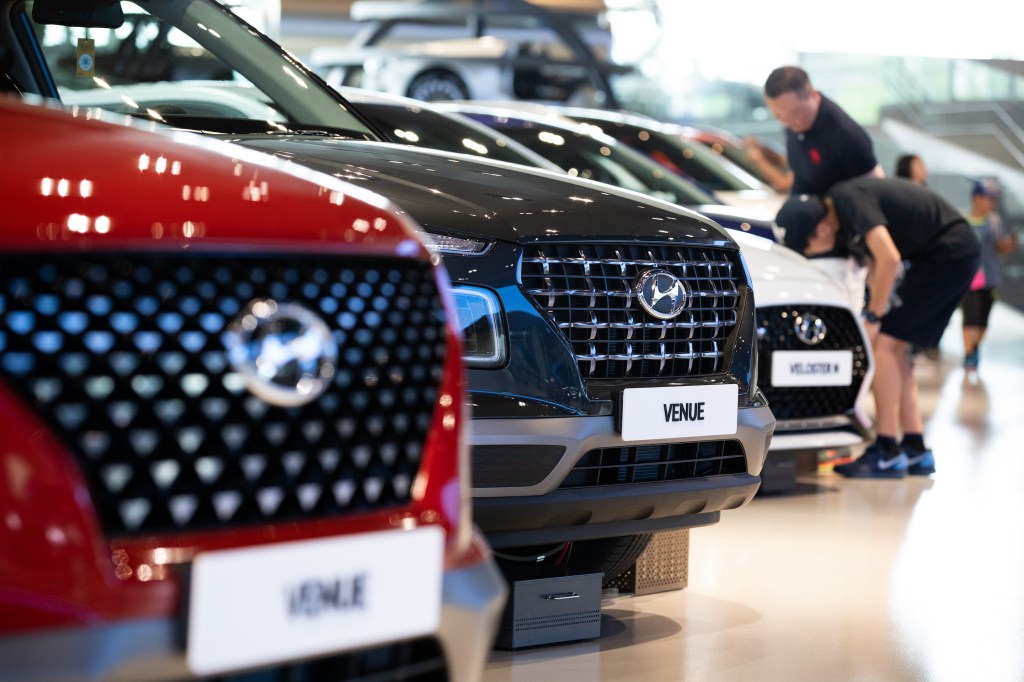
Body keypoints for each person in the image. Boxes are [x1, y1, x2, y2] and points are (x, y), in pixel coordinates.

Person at [774, 177, 980, 478]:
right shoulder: (843, 209)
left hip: (947, 255)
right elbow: (875, 263)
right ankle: (914, 447)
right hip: (946, 255)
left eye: (809, 247)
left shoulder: (848, 199)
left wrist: (873, 316)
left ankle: (886, 450)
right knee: (896, 349)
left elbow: (889, 258)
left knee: (884, 345)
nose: (813, 253)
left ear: (822, 228)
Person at [748, 65, 884, 196]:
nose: (788, 122)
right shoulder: (792, 125)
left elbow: (875, 193)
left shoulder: (847, 135)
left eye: (796, 112)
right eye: (778, 116)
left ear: (813, 95)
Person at [961, 178, 1018, 370]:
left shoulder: (994, 221)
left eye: (993, 199)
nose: (991, 203)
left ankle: (974, 349)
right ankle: (969, 355)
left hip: (989, 278)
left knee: (983, 319)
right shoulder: (964, 221)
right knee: (970, 318)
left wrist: (1009, 244)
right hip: (970, 279)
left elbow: (999, 247)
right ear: (976, 198)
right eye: (987, 198)